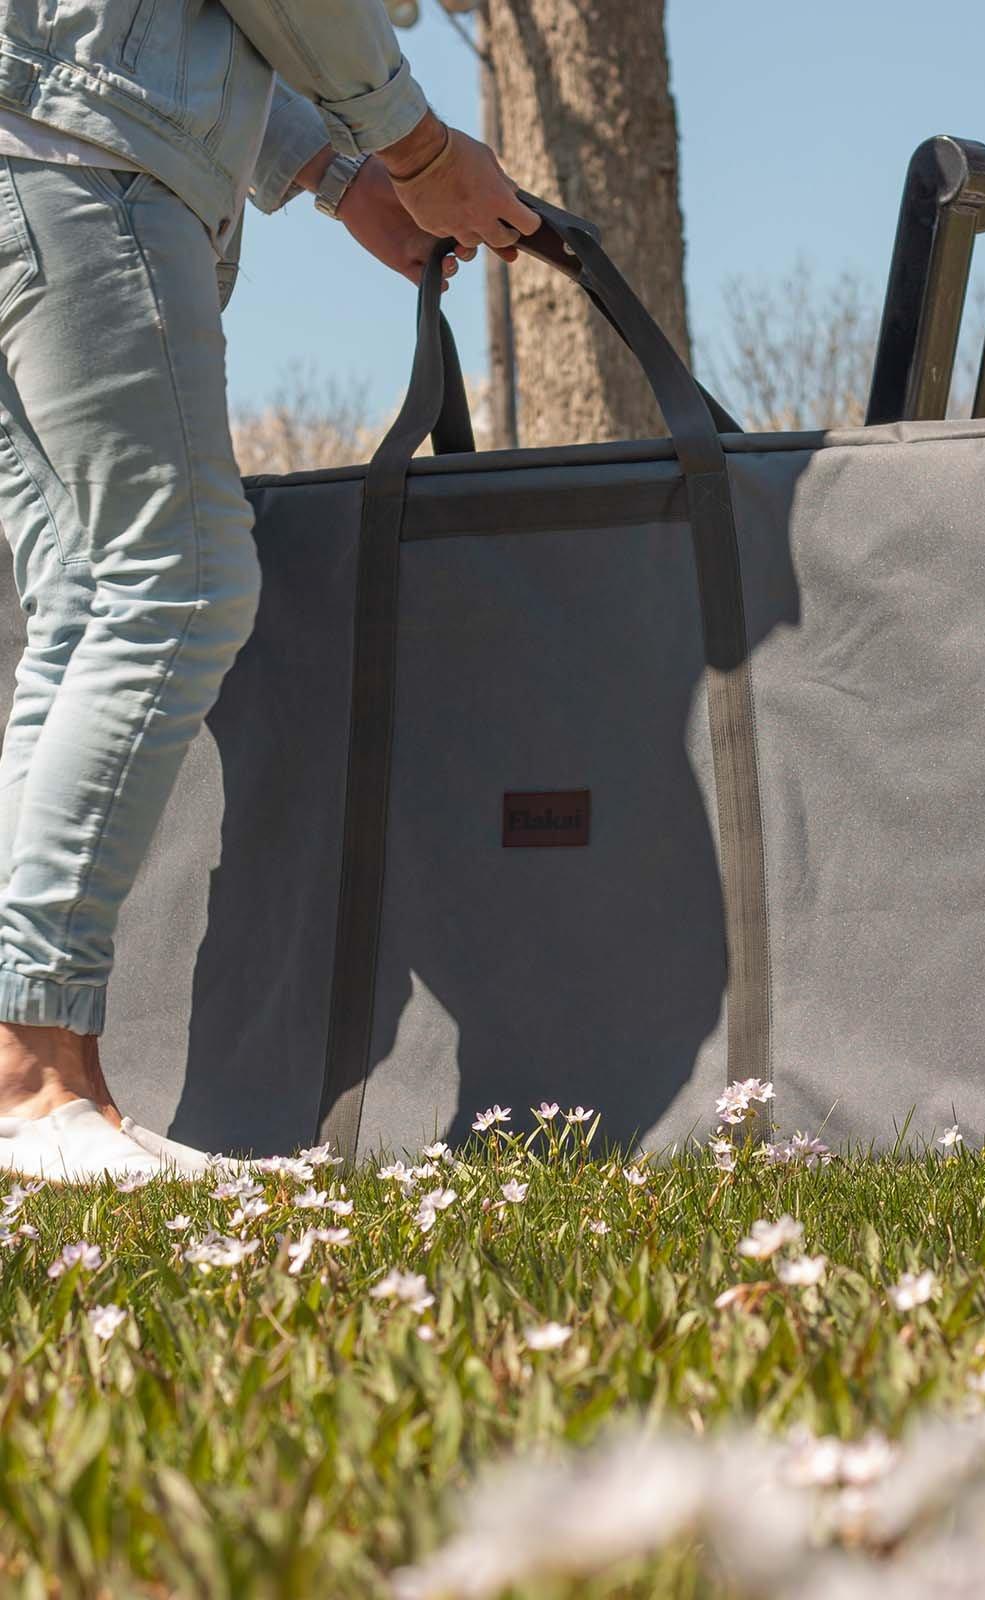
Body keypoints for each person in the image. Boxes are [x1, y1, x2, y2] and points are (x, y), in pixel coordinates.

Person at [0, 0, 539, 1180]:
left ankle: (48, 1087)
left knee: (88, 603)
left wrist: (344, 175)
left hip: (35, 141)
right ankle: (31, 1078)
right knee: (177, 584)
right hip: (85, 158)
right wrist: (424, 154)